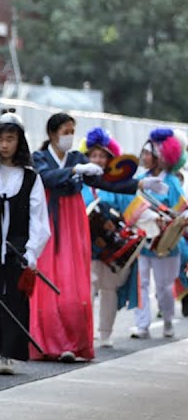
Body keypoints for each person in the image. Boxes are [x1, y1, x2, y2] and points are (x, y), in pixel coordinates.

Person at [0, 111, 50, 375]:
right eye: (0, 139)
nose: (5, 144)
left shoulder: (30, 178)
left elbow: (39, 219)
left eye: (10, 139)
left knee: (15, 300)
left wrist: (32, 251)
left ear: (19, 142)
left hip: (18, 249)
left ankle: (11, 353)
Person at [29, 112, 99, 362]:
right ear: (52, 133)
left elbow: (103, 181)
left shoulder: (78, 157)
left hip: (73, 220)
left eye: (72, 131)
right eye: (65, 131)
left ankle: (73, 342)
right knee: (47, 279)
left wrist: (136, 184)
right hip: (48, 217)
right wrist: (74, 171)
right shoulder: (40, 157)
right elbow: (45, 177)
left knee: (73, 281)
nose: (69, 136)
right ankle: (49, 342)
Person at [80, 128, 141, 348]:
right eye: (93, 155)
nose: (97, 159)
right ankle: (84, 332)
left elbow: (130, 211)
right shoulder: (80, 181)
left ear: (110, 159)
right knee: (87, 287)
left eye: (102, 155)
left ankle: (105, 333)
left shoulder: (116, 185)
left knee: (108, 288)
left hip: (111, 246)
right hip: (84, 243)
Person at [130, 128, 187, 340]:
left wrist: (168, 219)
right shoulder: (140, 180)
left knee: (164, 286)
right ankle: (142, 325)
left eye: (148, 153)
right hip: (143, 241)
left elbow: (181, 210)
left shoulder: (171, 182)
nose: (144, 157)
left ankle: (168, 320)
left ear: (160, 156)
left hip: (166, 243)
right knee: (142, 282)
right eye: (143, 152)